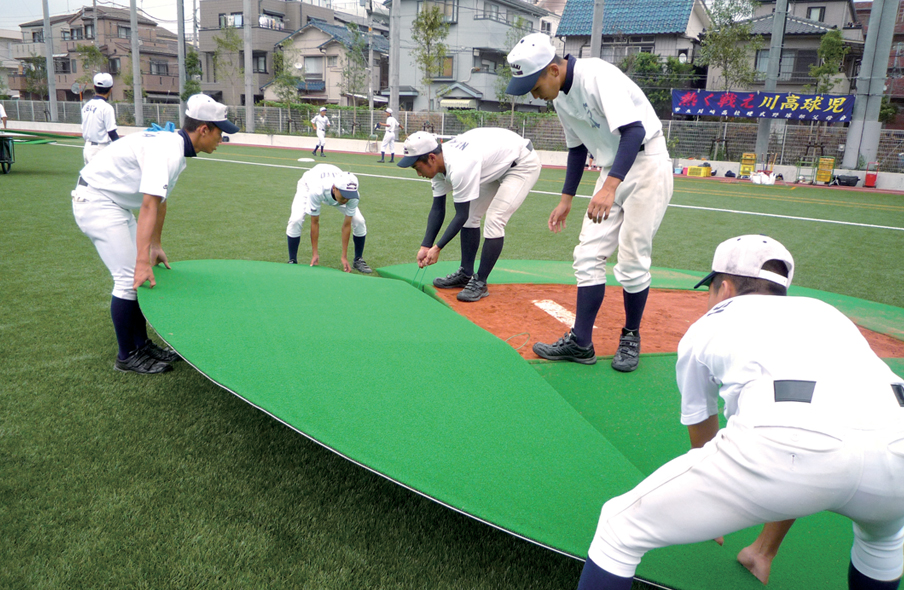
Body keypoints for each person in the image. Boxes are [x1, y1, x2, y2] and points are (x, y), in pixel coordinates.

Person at [576, 234, 904, 590]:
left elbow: (711, 441)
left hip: (788, 447)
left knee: (619, 527)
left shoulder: (708, 327)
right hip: (897, 447)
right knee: (884, 542)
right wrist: (765, 549)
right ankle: (760, 554)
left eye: (710, 288)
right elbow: (821, 429)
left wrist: (708, 510)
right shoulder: (826, 313)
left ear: (726, 288)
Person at [506, 33, 674, 371]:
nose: (535, 95)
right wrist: (566, 198)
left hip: (646, 163)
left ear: (553, 70)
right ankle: (581, 343)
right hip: (613, 167)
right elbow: (577, 149)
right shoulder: (559, 98)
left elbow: (634, 132)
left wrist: (610, 187)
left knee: (632, 258)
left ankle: (630, 336)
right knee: (587, 254)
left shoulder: (597, 76)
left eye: (534, 86)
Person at [71, 93, 239, 374]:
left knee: (135, 276)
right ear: (203, 129)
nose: (223, 139)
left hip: (113, 203)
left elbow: (160, 201)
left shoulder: (175, 147)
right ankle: (127, 355)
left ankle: (141, 345)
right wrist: (141, 261)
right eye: (220, 132)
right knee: (128, 278)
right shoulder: (169, 150)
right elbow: (149, 205)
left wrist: (155, 245)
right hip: (96, 202)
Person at [396, 128, 541, 302]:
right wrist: (426, 246)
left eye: (417, 167)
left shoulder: (459, 165)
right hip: (493, 164)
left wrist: (437, 248)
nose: (419, 174)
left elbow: (460, 215)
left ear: (431, 158)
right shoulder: (438, 163)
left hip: (521, 163)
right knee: (472, 215)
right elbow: (438, 209)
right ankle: (466, 273)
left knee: (494, 219)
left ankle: (480, 282)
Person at [286, 164, 373, 274]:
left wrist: (344, 257)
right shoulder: (317, 190)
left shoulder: (352, 195)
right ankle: (292, 260)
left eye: (349, 196)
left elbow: (347, 225)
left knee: (360, 221)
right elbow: (315, 222)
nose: (346, 199)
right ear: (334, 188)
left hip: (333, 187)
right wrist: (315, 253)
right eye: (344, 195)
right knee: (296, 220)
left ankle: (358, 259)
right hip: (307, 185)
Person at [80, 72, 119, 164]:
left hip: (87, 148)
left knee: (90, 177)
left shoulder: (86, 106)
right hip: (100, 149)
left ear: (94, 87)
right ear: (111, 89)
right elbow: (112, 132)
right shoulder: (107, 107)